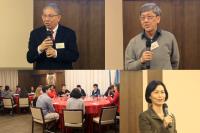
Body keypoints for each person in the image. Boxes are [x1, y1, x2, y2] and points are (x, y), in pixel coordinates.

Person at [125, 3, 179, 70]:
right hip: (143, 80)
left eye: (149, 17)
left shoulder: (169, 38)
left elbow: (175, 63)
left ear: (158, 19)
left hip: (165, 79)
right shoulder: (134, 42)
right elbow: (128, 67)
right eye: (143, 18)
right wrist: (141, 60)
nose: (146, 21)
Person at [27, 3, 79, 69]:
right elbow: (29, 58)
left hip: (62, 73)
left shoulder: (69, 33)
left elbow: (74, 56)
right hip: (41, 74)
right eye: (44, 16)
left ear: (58, 18)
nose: (46, 19)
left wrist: (56, 53)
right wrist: (40, 48)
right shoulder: (35, 33)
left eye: (50, 16)